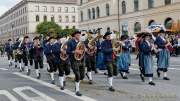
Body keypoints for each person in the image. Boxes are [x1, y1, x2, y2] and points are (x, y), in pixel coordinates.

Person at [67, 31, 85, 96]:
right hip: (74, 60)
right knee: (77, 75)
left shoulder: (81, 42)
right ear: (74, 35)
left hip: (81, 59)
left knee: (82, 76)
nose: (79, 36)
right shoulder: (70, 42)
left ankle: (76, 84)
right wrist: (75, 51)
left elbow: (83, 49)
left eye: (79, 35)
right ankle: (77, 90)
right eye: (78, 35)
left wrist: (84, 50)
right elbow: (67, 51)